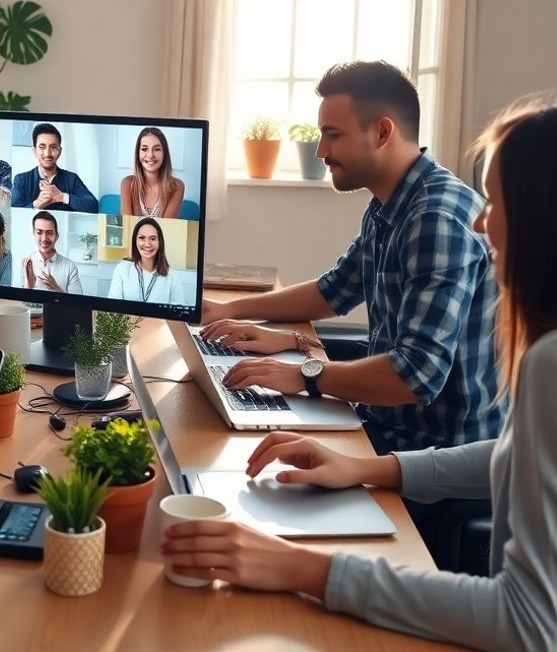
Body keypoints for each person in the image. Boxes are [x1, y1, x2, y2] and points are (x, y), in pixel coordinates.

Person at [162, 99, 557, 652]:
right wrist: (369, 469)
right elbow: (527, 454)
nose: (480, 221)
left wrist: (300, 568)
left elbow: (528, 623)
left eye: (497, 201)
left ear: (554, 219)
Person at [201, 61, 501, 456]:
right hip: (383, 426)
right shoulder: (390, 203)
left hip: (429, 455)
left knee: (246, 455)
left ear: (381, 131)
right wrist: (231, 309)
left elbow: (416, 375)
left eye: (333, 135)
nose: (321, 150)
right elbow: (333, 291)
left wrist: (303, 375)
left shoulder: (435, 219)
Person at [10, 122, 99, 213]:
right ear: (34, 151)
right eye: (42, 147)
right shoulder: (21, 180)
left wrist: (62, 197)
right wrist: (37, 204)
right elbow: (13, 212)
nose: (48, 154)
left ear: (60, 151)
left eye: (53, 147)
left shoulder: (72, 179)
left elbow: (94, 207)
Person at [108, 217, 182, 304]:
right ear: (135, 241)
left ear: (160, 242)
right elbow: (112, 307)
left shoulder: (172, 276)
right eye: (142, 238)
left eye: (153, 239)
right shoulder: (122, 269)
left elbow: (178, 314)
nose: (147, 244)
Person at [119, 127, 185, 218]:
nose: (150, 155)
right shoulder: (127, 183)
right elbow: (127, 225)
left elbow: (167, 227)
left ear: (164, 153)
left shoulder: (177, 186)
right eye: (144, 149)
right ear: (138, 153)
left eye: (157, 149)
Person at [20, 210, 82, 293]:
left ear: (57, 236)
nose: (44, 238)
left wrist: (56, 289)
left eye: (50, 233)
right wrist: (28, 286)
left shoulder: (70, 267)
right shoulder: (24, 265)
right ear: (34, 234)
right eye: (39, 232)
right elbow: (16, 302)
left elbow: (77, 303)